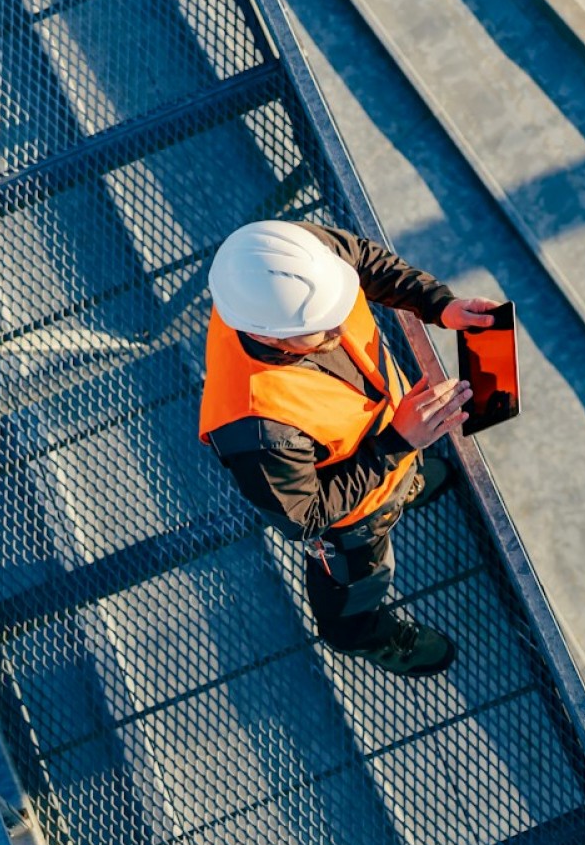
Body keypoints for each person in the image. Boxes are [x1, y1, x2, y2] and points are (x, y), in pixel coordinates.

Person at [198, 220, 501, 676]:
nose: (341, 328)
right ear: (267, 337)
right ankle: (360, 635)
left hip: (391, 438)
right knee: (355, 584)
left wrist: (440, 305)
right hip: (354, 521)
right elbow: (307, 517)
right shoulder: (255, 425)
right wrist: (398, 442)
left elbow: (366, 261)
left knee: (403, 462)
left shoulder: (293, 257)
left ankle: (404, 483)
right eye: (321, 329)